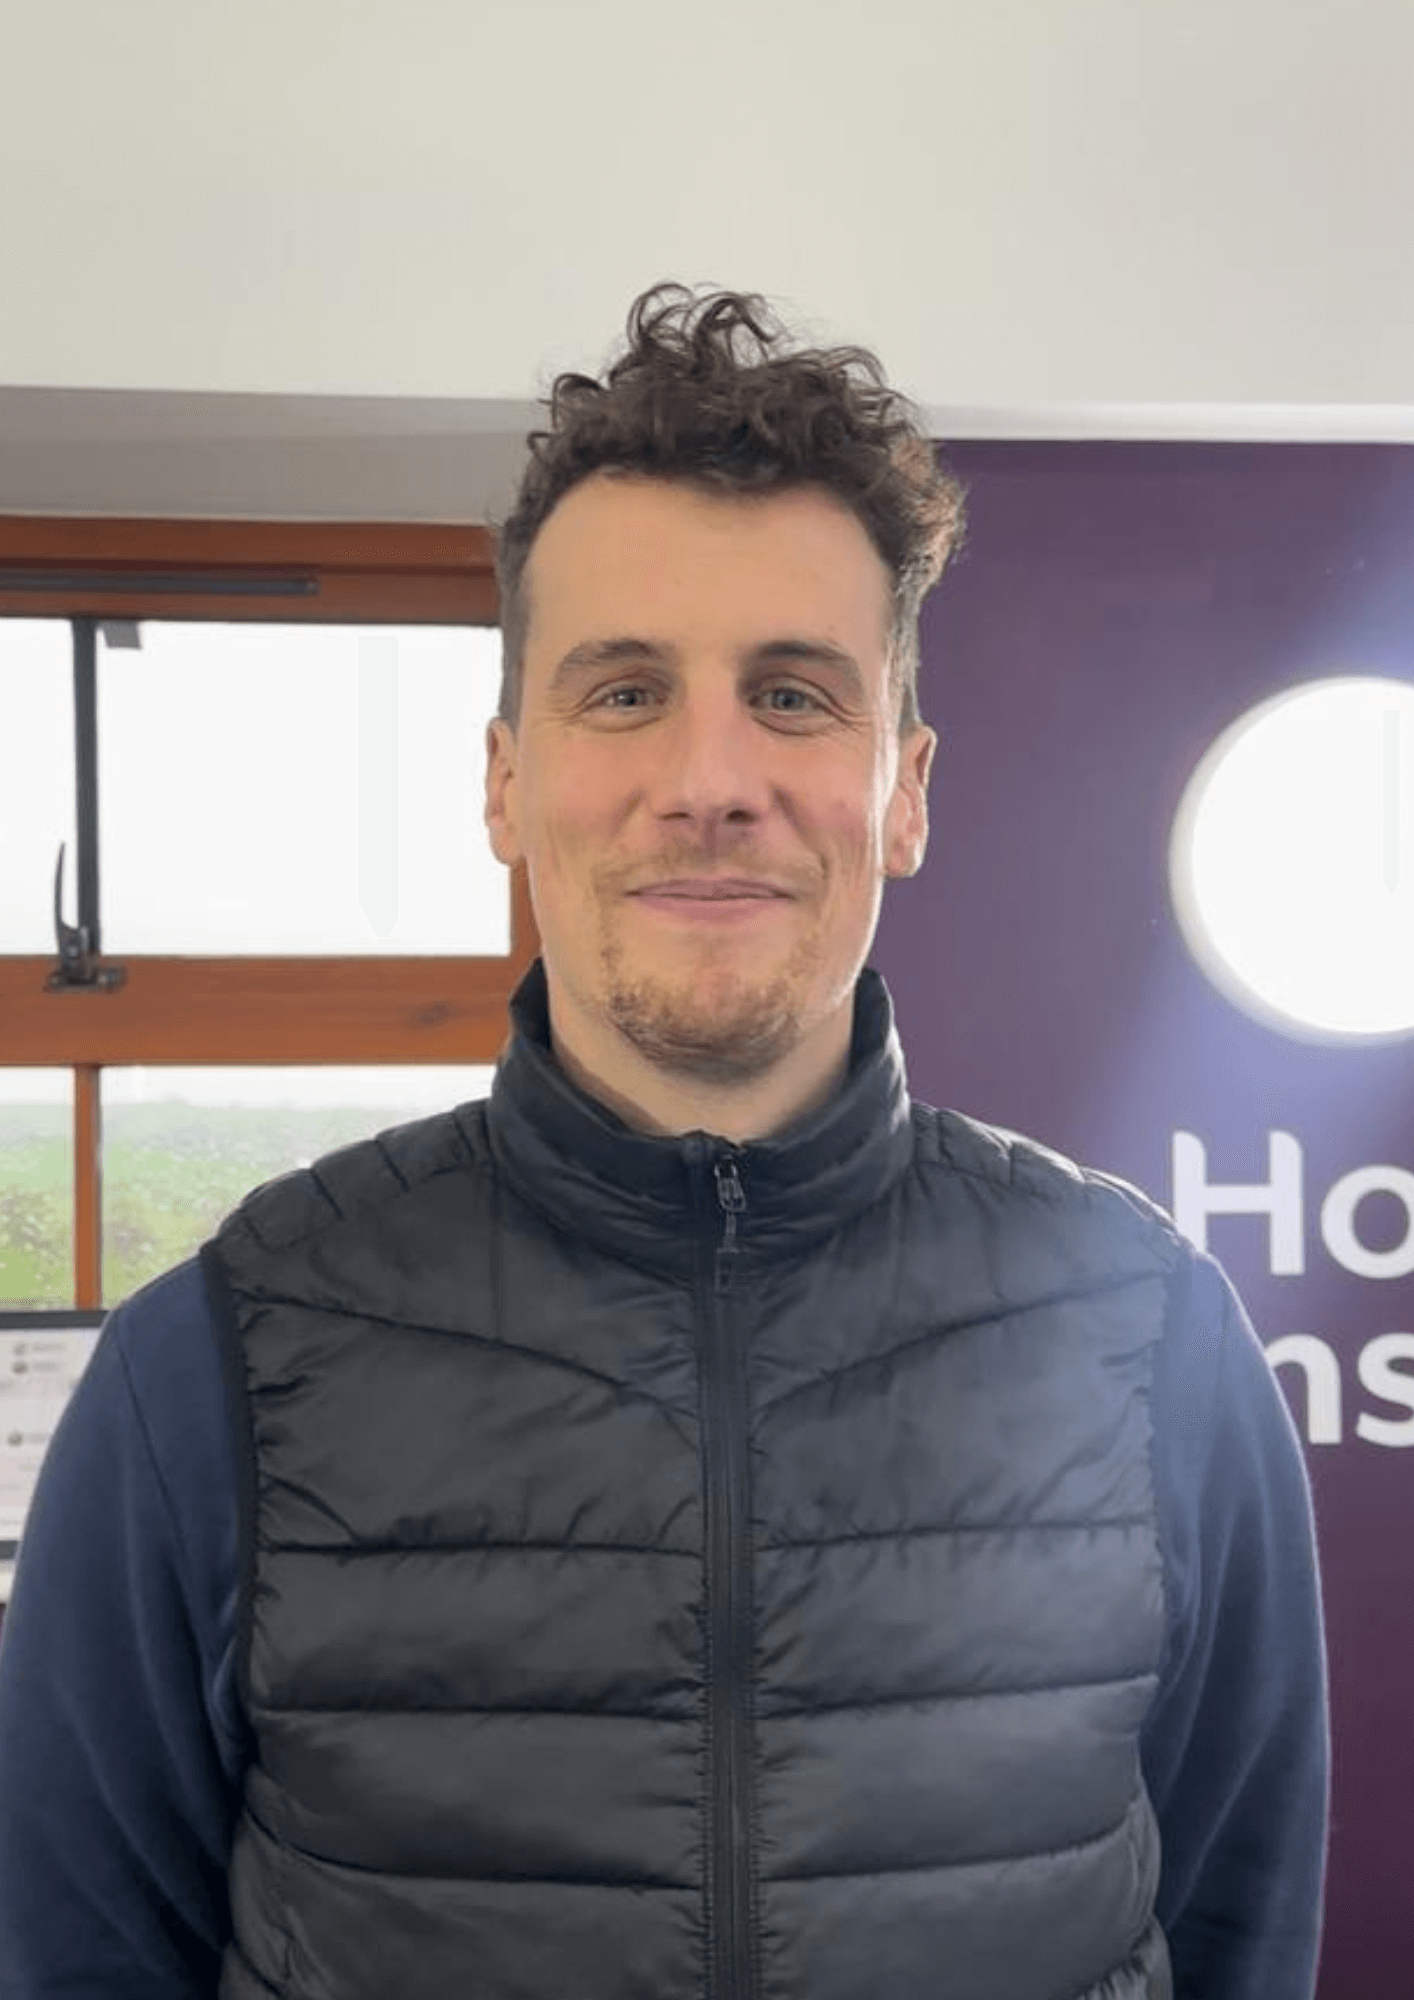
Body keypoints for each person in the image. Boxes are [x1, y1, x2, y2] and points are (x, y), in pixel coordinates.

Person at [0, 282, 1327, 2000]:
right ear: (503, 782)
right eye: (623, 693)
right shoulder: (214, 1368)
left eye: (791, 695)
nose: (708, 777)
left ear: (904, 786)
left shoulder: (1156, 1344)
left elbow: (1237, 1932)